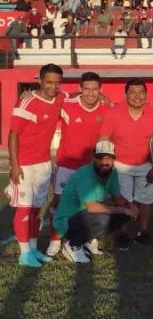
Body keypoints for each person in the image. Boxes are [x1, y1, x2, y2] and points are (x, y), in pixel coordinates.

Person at [4, 64, 66, 267]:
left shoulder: (60, 97)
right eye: (49, 82)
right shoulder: (26, 102)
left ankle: (33, 248)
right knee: (24, 208)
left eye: (57, 82)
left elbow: (73, 96)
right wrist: (14, 165)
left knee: (36, 209)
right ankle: (24, 254)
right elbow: (13, 134)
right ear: (39, 80)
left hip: (44, 163)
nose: (53, 86)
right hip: (24, 165)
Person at [46, 72, 111, 257]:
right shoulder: (66, 104)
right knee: (59, 202)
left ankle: (91, 241)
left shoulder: (107, 109)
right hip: (66, 163)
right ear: (80, 89)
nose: (91, 93)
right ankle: (55, 240)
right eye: (87, 89)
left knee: (93, 203)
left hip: (91, 167)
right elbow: (48, 99)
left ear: (100, 90)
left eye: (95, 89)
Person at [98, 79, 153, 247]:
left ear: (146, 94)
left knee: (146, 200)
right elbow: (103, 139)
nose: (137, 96)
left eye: (141, 92)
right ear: (125, 94)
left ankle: (143, 231)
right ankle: (123, 233)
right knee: (122, 199)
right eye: (133, 92)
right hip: (120, 164)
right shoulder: (114, 112)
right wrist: (106, 164)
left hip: (146, 164)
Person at [52, 141, 139, 263]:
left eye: (108, 158)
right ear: (94, 158)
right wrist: (123, 209)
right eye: (100, 158)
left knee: (124, 214)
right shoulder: (85, 174)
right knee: (103, 217)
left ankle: (88, 241)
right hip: (66, 221)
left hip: (85, 215)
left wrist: (130, 207)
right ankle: (73, 245)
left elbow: (118, 198)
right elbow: (92, 207)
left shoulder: (112, 172)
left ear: (114, 159)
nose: (104, 162)